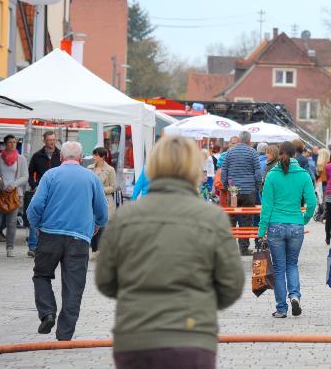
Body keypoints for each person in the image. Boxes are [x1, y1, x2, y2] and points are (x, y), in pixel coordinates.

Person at [96, 136, 245, 368]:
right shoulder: (211, 218)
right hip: (191, 335)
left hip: (136, 336)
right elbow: (232, 284)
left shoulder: (127, 217)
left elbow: (105, 280)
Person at [27, 141, 108, 342]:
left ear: (61, 158)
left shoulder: (50, 175)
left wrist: (37, 226)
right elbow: (103, 213)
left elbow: (34, 207)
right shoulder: (91, 178)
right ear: (81, 159)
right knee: (74, 287)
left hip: (50, 235)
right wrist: (96, 224)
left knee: (41, 275)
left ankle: (47, 313)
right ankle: (64, 336)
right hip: (79, 239)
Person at [258, 141, 316, 318]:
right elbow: (312, 203)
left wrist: (261, 232)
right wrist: (303, 219)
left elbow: (266, 207)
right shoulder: (304, 175)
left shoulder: (272, 176)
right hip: (295, 225)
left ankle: (281, 308)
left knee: (279, 267)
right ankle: (295, 296)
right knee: (292, 264)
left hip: (275, 226)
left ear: (279, 154)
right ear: (295, 155)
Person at [0, 134, 29, 258]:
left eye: (14, 142)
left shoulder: (21, 159)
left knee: (12, 222)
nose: (12, 144)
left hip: (14, 194)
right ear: (5, 144)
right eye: (10, 142)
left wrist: (14, 184)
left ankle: (10, 248)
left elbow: (25, 176)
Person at [221, 131, 262, 255]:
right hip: (249, 192)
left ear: (239, 139)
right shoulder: (253, 153)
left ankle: (229, 249)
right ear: (249, 140)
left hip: (233, 192)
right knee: (247, 220)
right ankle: (243, 249)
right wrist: (257, 187)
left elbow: (224, 171)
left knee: (231, 220)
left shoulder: (229, 152)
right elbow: (258, 174)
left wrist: (227, 186)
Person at [26, 131, 61, 258]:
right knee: (36, 215)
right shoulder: (37, 156)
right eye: (49, 140)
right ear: (44, 141)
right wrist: (34, 186)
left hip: (57, 192)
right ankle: (33, 246)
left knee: (54, 217)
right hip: (41, 191)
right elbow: (30, 174)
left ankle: (51, 246)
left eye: (53, 139)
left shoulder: (60, 155)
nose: (52, 142)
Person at [89, 147, 118, 259]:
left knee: (103, 226)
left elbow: (114, 186)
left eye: (95, 155)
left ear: (102, 157)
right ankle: (94, 249)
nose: (93, 157)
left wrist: (100, 190)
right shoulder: (89, 168)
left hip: (105, 200)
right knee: (92, 225)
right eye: (94, 155)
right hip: (91, 200)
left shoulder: (110, 169)